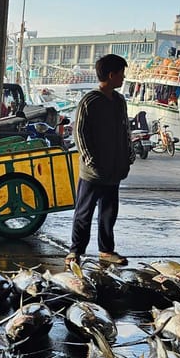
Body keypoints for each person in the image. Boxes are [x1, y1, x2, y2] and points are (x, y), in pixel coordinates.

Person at [66, 54, 133, 267]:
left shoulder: (119, 101)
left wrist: (128, 156)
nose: (123, 78)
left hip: (115, 169)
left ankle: (106, 250)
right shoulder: (90, 101)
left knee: (109, 213)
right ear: (111, 75)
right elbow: (80, 133)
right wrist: (91, 161)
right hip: (93, 172)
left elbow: (125, 130)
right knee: (84, 212)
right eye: (121, 73)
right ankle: (75, 251)